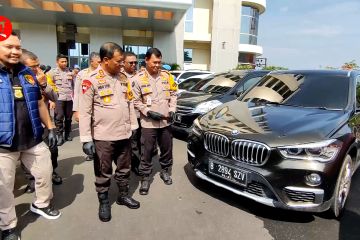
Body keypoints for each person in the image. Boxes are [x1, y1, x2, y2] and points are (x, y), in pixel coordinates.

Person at [0, 32, 61, 240]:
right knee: (3, 188)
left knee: (45, 171)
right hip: (3, 145)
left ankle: (41, 204)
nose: (15, 51)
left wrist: (50, 127)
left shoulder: (27, 73)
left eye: (18, 47)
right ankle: (8, 225)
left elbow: (39, 102)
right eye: (9, 47)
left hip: (32, 138)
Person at [79, 42, 140, 222]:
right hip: (103, 137)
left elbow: (129, 104)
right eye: (119, 61)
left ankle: (122, 195)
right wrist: (85, 139)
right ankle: (104, 202)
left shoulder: (123, 79)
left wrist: (134, 127)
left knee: (124, 169)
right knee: (103, 172)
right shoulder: (91, 80)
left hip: (124, 134)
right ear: (105, 60)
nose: (122, 65)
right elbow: (85, 112)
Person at [132, 48, 178, 195]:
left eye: (159, 62)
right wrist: (147, 111)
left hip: (166, 121)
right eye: (154, 62)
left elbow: (173, 94)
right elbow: (135, 100)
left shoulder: (167, 76)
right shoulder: (137, 79)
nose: (157, 65)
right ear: (146, 60)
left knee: (167, 148)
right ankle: (145, 177)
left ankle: (165, 170)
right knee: (146, 150)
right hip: (148, 122)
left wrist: (172, 109)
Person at [21, 49, 63, 192]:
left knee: (52, 149)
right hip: (25, 125)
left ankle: (53, 171)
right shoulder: (16, 80)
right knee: (26, 155)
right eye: (33, 66)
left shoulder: (42, 77)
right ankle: (32, 179)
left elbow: (55, 97)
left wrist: (43, 85)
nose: (38, 69)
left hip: (44, 123)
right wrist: (33, 85)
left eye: (38, 65)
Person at [73, 52, 100, 161]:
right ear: (91, 61)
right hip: (85, 107)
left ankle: (98, 150)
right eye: (98, 62)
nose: (99, 64)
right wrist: (76, 110)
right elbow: (77, 93)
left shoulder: (102, 74)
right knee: (86, 128)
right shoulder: (82, 74)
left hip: (97, 108)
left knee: (97, 130)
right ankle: (90, 151)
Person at [48, 54, 75, 146]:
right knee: (59, 117)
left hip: (69, 98)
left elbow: (73, 85)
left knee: (68, 117)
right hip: (58, 98)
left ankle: (67, 134)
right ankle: (59, 136)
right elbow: (49, 87)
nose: (64, 63)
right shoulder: (52, 72)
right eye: (62, 61)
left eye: (66, 61)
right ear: (57, 62)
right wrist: (51, 100)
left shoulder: (70, 72)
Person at [122, 52, 141, 174]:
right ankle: (128, 165)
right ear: (123, 63)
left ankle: (136, 163)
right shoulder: (118, 77)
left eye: (135, 62)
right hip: (125, 116)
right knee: (128, 143)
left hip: (139, 115)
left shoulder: (140, 76)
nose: (134, 65)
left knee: (138, 141)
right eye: (131, 62)